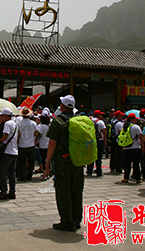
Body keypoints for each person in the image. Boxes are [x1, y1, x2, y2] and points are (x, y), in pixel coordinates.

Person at [44, 95, 83, 231]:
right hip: (78, 160)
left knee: (63, 191)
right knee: (76, 190)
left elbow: (52, 143)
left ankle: (67, 221)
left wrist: (47, 162)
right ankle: (77, 219)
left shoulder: (58, 121)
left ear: (62, 106)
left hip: (63, 162)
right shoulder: (79, 120)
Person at [0, 108, 18, 200]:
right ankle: (12, 192)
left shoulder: (7, 124)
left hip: (7, 150)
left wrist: (0, 141)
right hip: (14, 150)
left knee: (2, 172)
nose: (2, 117)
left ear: (6, 115)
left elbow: (5, 135)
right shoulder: (15, 123)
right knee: (12, 173)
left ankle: (3, 191)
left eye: (2, 115)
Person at [120, 113, 143, 184]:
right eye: (135, 119)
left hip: (127, 147)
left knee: (127, 164)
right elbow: (140, 137)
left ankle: (126, 178)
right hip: (135, 147)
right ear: (131, 119)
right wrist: (142, 146)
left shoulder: (124, 126)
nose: (136, 120)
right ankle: (138, 178)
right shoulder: (136, 127)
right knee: (136, 164)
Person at [16, 107, 38, 181]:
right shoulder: (33, 123)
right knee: (31, 161)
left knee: (22, 161)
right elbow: (36, 133)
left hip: (22, 145)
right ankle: (29, 175)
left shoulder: (19, 124)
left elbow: (18, 135)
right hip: (31, 144)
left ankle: (23, 176)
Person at [87, 110, 107, 177]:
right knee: (98, 157)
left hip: (91, 141)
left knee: (90, 156)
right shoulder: (100, 122)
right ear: (98, 115)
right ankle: (99, 171)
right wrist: (105, 141)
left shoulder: (89, 121)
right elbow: (104, 132)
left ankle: (89, 171)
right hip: (99, 141)